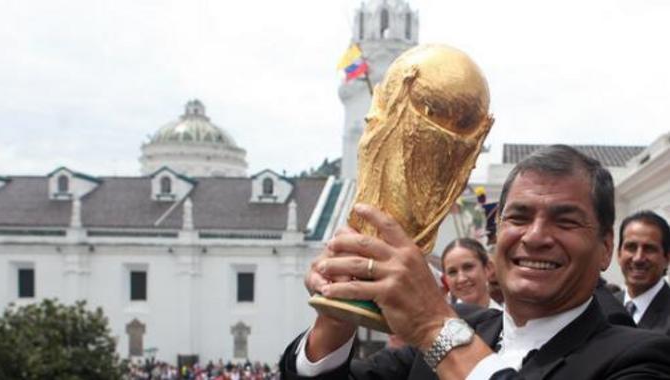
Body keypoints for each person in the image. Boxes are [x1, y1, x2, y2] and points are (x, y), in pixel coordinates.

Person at [279, 145, 670, 379]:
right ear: (496, 234)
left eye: (564, 220)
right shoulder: (464, 331)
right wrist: (338, 312)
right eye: (518, 217)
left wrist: (435, 326)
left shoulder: (644, 358)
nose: (534, 237)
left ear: (604, 248)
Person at [616, 210, 670, 334]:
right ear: (618, 254)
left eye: (649, 248)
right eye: (631, 247)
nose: (638, 258)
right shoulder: (604, 308)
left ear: (667, 258)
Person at [441, 238, 501, 310]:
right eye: (452, 272)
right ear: (446, 279)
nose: (461, 279)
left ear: (488, 269)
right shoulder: (443, 320)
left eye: (468, 267)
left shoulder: (510, 318)